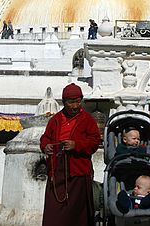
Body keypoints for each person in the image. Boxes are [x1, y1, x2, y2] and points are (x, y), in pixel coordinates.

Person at [40, 83, 101, 226]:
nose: (75, 106)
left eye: (78, 101)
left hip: (77, 172)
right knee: (54, 212)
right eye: (71, 102)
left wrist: (76, 145)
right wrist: (45, 146)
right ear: (63, 102)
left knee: (76, 213)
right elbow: (45, 138)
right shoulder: (55, 120)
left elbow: (94, 142)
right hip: (57, 171)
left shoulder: (87, 119)